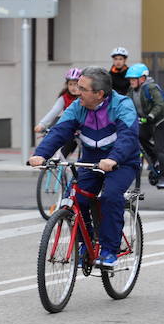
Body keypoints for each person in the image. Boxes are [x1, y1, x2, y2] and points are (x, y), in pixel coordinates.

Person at [28, 66, 140, 268]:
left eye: (82, 88)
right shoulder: (77, 107)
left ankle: (109, 250)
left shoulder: (123, 105)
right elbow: (60, 131)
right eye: (77, 87)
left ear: (99, 94)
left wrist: (113, 159)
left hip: (121, 161)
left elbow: (128, 137)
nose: (77, 92)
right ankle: (85, 244)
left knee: (110, 196)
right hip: (91, 160)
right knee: (76, 198)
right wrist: (40, 154)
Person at [127, 62, 164, 188]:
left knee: (159, 148)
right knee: (139, 136)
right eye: (130, 79)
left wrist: (151, 115)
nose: (131, 81)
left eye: (133, 79)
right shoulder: (131, 91)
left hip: (160, 120)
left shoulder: (151, 87)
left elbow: (159, 104)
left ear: (142, 78)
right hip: (145, 120)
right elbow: (126, 104)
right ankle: (154, 159)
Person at [35, 68, 82, 157]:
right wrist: (42, 124)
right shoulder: (64, 98)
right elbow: (54, 111)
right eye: (70, 84)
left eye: (76, 84)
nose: (73, 87)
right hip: (69, 127)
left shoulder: (84, 97)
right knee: (53, 141)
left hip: (82, 129)